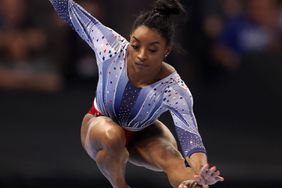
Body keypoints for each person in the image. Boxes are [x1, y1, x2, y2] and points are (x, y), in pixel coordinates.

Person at [49, 0, 224, 187]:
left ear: (166, 51)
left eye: (152, 50)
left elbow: (191, 141)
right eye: (136, 45)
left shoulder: (175, 89)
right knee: (113, 135)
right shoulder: (110, 48)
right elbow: (67, 9)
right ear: (130, 39)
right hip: (98, 123)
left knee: (179, 165)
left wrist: (202, 172)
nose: (141, 55)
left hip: (142, 132)